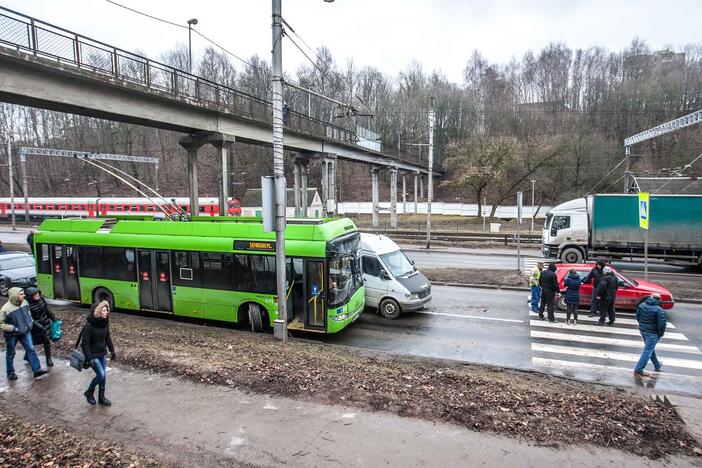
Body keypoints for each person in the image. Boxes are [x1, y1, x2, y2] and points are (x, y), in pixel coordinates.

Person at [1, 287, 49, 380]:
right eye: (21, 294)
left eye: (23, 293)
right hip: (12, 335)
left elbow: (28, 314)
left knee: (31, 349)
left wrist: (29, 323)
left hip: (25, 332)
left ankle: (37, 370)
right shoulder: (5, 309)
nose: (24, 295)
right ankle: (10, 373)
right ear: (15, 296)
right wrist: (14, 328)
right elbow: (1, 324)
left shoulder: (25, 303)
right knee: (11, 353)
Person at [81, 300, 116, 406]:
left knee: (103, 376)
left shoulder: (105, 322)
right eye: (104, 310)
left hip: (102, 353)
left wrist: (112, 350)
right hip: (93, 355)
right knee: (101, 374)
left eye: (107, 310)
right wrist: (89, 359)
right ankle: (89, 392)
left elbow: (107, 337)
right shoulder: (89, 326)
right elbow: (85, 344)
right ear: (98, 312)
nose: (107, 312)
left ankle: (101, 398)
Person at [634, 293, 666, 376]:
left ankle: (657, 365)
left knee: (650, 348)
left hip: (643, 331)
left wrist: (642, 326)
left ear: (651, 297)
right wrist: (660, 334)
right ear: (659, 300)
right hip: (653, 333)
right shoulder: (659, 310)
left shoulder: (642, 305)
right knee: (648, 350)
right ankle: (639, 369)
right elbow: (661, 324)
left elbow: (637, 317)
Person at [25, 287, 56, 367]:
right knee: (33, 343)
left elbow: (46, 309)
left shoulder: (41, 299)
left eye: (38, 293)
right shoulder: (26, 305)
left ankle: (48, 359)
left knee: (47, 341)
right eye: (35, 294)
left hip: (45, 323)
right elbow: (29, 318)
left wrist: (53, 318)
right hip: (35, 328)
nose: (38, 295)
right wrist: (38, 325)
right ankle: (27, 356)